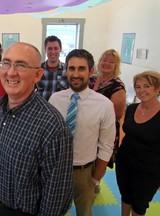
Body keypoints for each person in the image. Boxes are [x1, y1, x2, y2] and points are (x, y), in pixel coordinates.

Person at [0, 42, 73, 216]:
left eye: (21, 65)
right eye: (6, 63)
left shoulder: (52, 126)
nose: (11, 72)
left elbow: (56, 193)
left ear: (37, 74)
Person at [49, 49, 116, 216]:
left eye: (81, 69)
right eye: (72, 68)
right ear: (66, 71)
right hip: (56, 169)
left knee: (84, 212)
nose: (75, 74)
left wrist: (95, 179)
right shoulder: (55, 99)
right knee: (52, 211)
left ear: (91, 71)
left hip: (84, 172)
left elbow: (107, 145)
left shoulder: (104, 104)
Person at [116, 71, 160, 216]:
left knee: (139, 204)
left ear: (157, 89)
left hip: (149, 170)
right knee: (125, 196)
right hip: (124, 162)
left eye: (146, 86)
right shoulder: (132, 108)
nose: (141, 90)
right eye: (138, 86)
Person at [89, 49, 126, 169]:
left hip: (105, 128)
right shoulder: (92, 79)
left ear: (116, 66)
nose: (106, 63)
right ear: (99, 62)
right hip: (89, 125)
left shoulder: (117, 86)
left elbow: (118, 114)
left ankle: (96, 182)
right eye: (104, 60)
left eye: (111, 62)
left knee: (100, 159)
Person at [37, 35, 69, 101]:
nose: (53, 52)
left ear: (60, 49)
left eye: (56, 48)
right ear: (45, 50)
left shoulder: (68, 70)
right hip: (41, 109)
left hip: (60, 109)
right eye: (50, 49)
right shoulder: (37, 69)